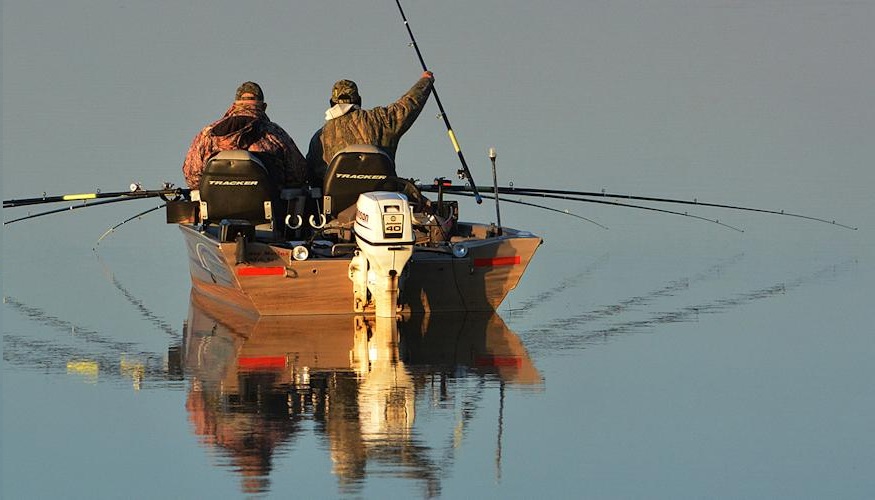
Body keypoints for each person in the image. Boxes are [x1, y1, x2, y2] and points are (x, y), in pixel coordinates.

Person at [306, 71, 434, 184]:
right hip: (382, 200)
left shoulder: (319, 138)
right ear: (359, 101)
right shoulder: (380, 120)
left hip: (336, 209)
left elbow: (311, 177)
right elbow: (408, 105)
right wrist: (426, 81)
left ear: (331, 103)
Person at [182, 81, 307, 190]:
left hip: (216, 212)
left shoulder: (208, 134)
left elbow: (192, 176)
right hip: (267, 212)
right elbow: (298, 174)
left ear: (234, 105)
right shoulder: (275, 133)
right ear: (263, 107)